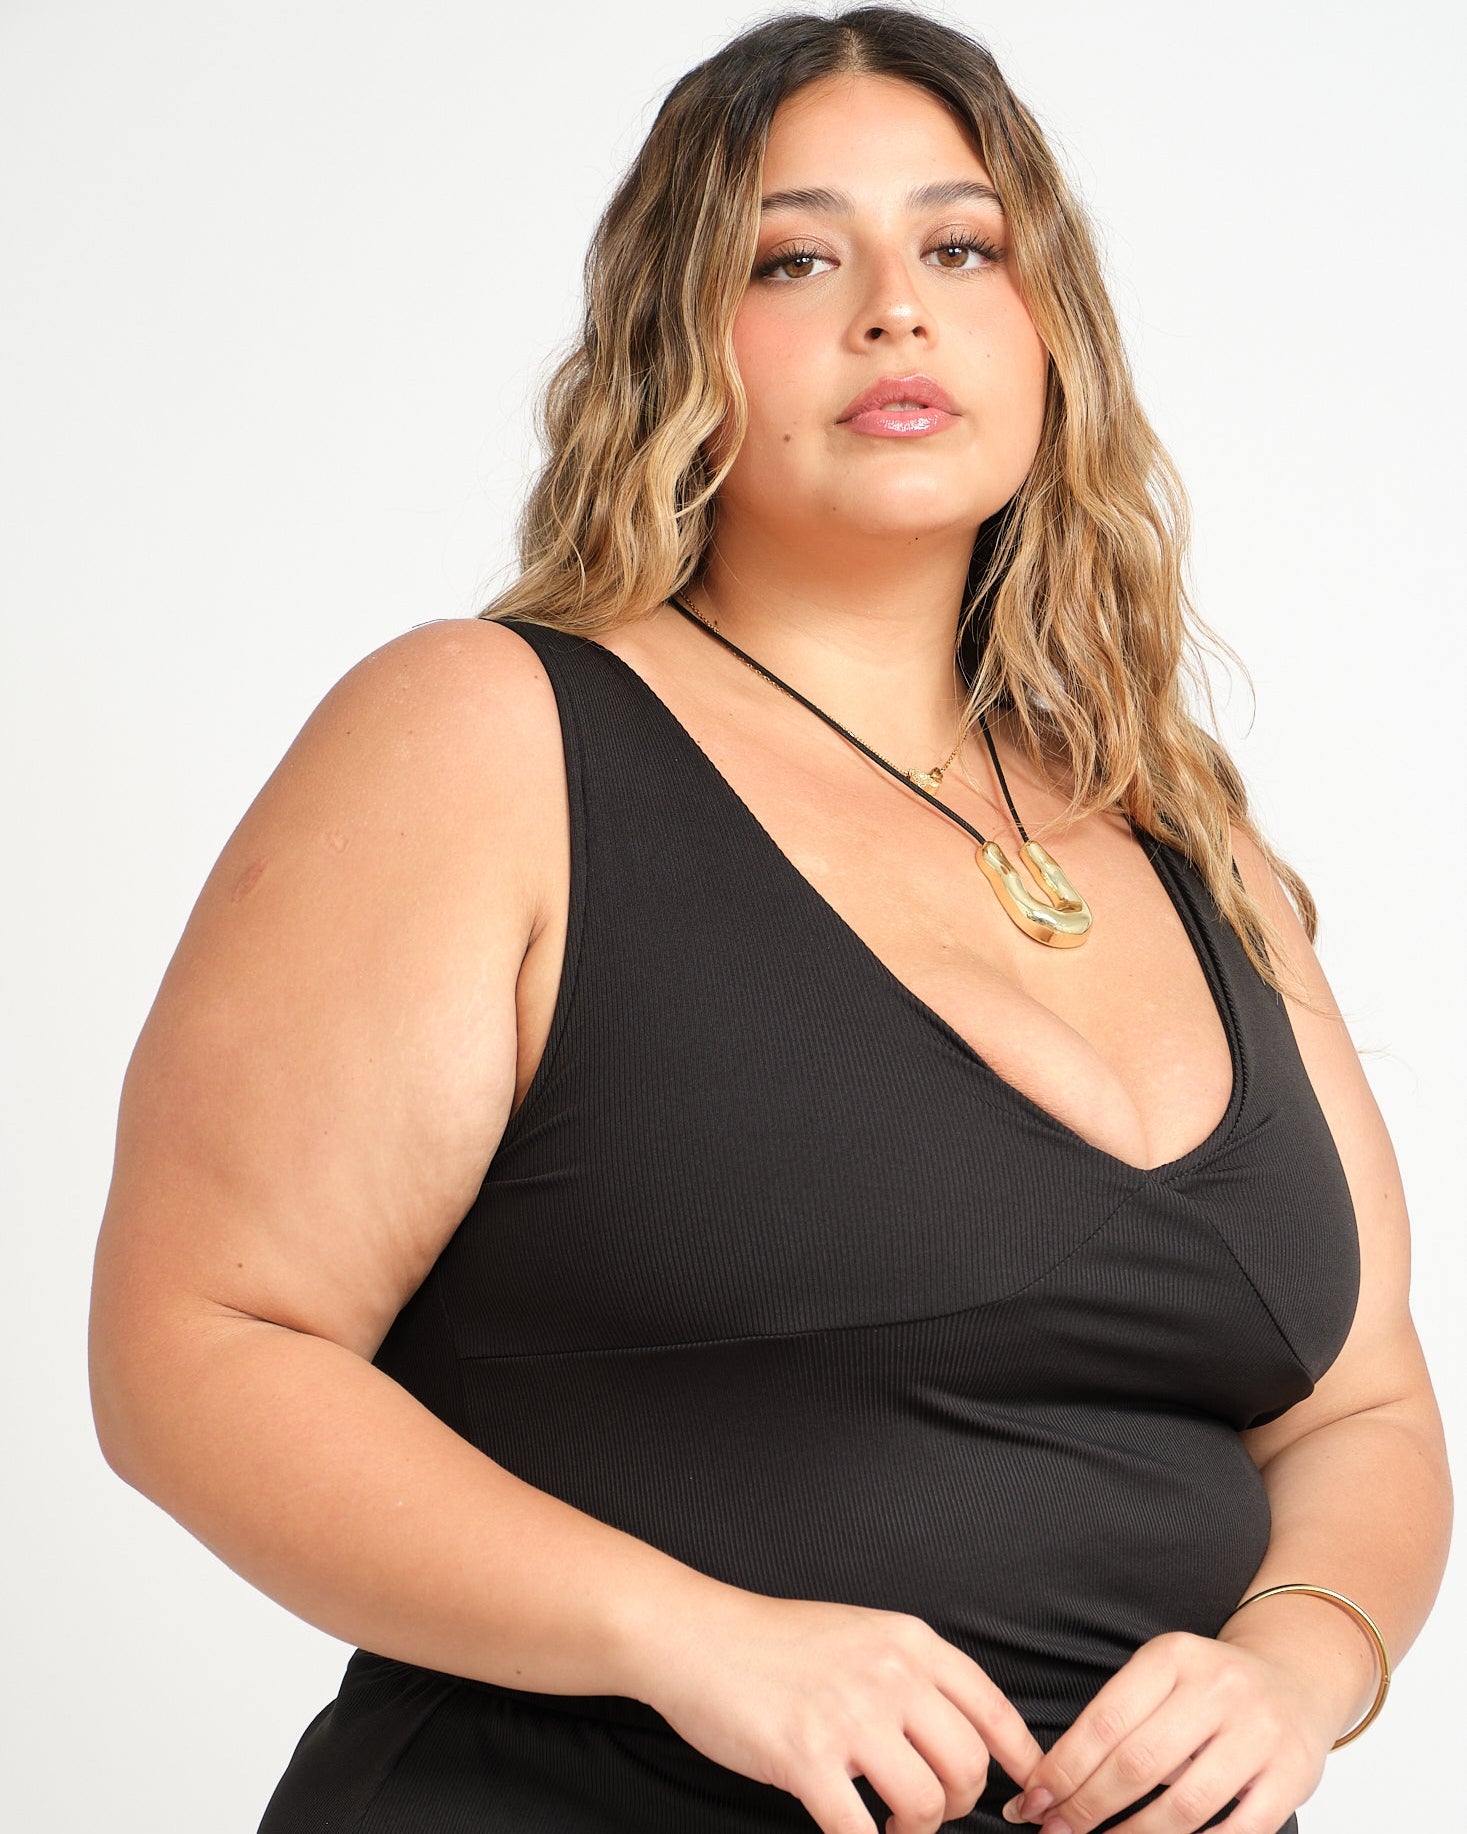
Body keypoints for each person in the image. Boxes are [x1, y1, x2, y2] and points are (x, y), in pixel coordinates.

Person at [87, 8, 1450, 1834]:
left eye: (963, 248)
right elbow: (194, 1346)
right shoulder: (492, 738)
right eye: (795, 259)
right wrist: (686, 1633)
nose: (896, 312)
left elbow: (1361, 1410)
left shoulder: (1188, 837)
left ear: (1051, 330)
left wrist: (1301, 1655)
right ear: (678, 341)